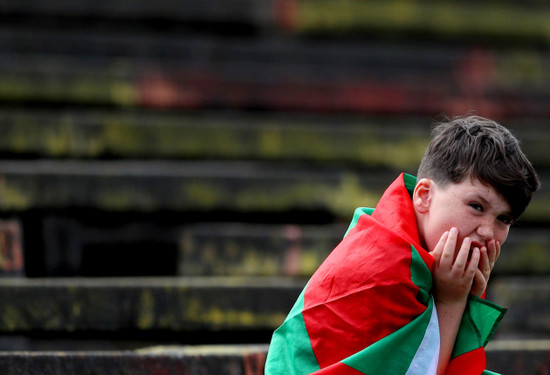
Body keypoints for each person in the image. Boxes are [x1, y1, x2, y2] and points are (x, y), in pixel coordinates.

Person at [264, 115, 540, 375]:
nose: (488, 232)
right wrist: (451, 300)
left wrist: (467, 297)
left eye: (504, 219)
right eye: (476, 206)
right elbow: (420, 369)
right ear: (424, 196)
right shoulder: (383, 262)